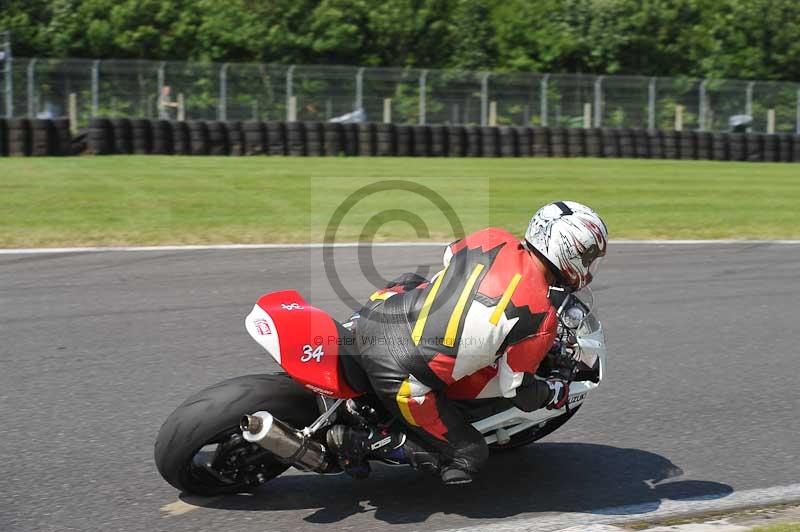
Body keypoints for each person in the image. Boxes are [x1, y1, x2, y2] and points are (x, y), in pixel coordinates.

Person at [328, 201, 608, 484]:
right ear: (568, 251)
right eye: (588, 257)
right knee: (470, 453)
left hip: (377, 314)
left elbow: (450, 256)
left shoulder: (493, 237)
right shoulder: (541, 317)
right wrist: (555, 390)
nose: (589, 266)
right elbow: (518, 391)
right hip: (399, 375)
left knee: (414, 280)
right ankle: (364, 442)